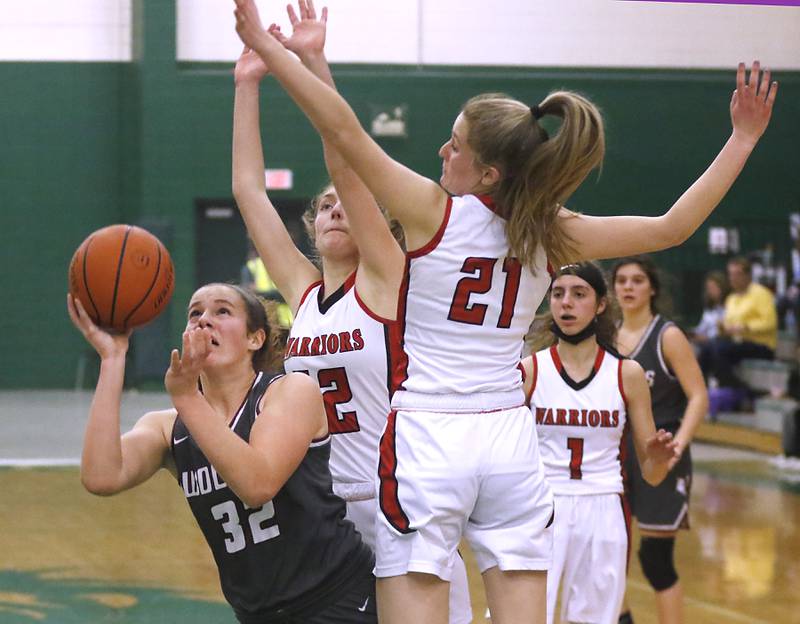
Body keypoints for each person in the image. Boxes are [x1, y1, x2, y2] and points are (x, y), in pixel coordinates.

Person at [232, 4, 775, 621]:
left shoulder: (432, 211)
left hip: (430, 433)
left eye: (455, 144)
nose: (442, 148)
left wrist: (275, 50)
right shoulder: (549, 231)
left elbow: (344, 138)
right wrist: (743, 138)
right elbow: (673, 227)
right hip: (512, 442)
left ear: (486, 170)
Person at [231, 3, 472, 622]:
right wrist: (246, 86)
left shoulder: (389, 280)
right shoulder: (304, 294)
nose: (337, 209)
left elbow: (347, 154)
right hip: (323, 512)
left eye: (347, 204)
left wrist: (313, 60)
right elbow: (249, 193)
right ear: (311, 225)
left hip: (401, 499)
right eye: (324, 205)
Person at [66, 284, 377, 623]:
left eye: (222, 311)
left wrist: (187, 398)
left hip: (338, 599)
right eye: (194, 314)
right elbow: (101, 476)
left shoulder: (289, 392)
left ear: (254, 339)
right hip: (259, 615)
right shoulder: (169, 429)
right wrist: (113, 359)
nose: (204, 321)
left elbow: (258, 484)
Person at [520, 262, 678, 624]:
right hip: (539, 506)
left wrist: (657, 458)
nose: (566, 304)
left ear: (601, 305)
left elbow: (652, 476)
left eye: (579, 294)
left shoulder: (627, 374)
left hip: (603, 507)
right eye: (558, 294)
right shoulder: (530, 370)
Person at [612, 257, 709, 624]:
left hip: (660, 452)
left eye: (637, 280)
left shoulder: (667, 335)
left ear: (652, 288)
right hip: (615, 452)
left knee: (655, 561)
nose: (628, 287)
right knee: (610, 554)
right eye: (621, 280)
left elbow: (698, 395)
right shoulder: (607, 336)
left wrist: (679, 446)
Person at [698, 256, 778, 388]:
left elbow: (770, 323)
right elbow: (727, 326)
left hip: (761, 345)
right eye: (730, 274)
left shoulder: (761, 294)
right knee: (707, 348)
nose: (732, 278)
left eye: (737, 274)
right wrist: (722, 328)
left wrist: (745, 327)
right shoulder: (731, 299)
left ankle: (739, 389)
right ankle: (699, 390)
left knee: (719, 350)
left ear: (748, 275)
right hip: (737, 344)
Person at [240, 241, 294, 328]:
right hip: (265, 321)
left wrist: (261, 294)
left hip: (286, 322)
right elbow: (248, 295)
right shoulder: (251, 266)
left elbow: (292, 292)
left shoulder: (286, 265)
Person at [689, 270, 729, 347]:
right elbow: (701, 328)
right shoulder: (709, 309)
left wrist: (707, 338)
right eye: (708, 288)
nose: (710, 291)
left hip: (719, 343)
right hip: (705, 343)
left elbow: (724, 331)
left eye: (713, 287)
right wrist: (692, 333)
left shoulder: (730, 306)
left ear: (722, 287)